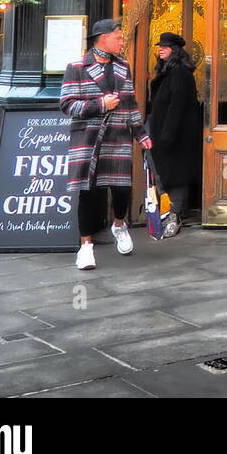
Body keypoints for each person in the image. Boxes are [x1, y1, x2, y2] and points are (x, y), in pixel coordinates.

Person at [61, 18, 151, 271]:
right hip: (88, 139)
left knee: (122, 190)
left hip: (119, 136)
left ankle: (119, 224)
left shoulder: (123, 66)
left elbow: (131, 104)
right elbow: (67, 104)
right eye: (119, 37)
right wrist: (100, 105)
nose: (122, 41)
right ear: (103, 38)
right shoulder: (77, 66)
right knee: (88, 193)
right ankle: (86, 247)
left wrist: (141, 134)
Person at [147, 31, 201, 238]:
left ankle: (175, 214)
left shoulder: (180, 74)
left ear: (175, 51)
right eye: (160, 45)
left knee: (176, 175)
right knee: (165, 174)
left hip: (175, 137)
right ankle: (169, 212)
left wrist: (167, 135)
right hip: (163, 134)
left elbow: (176, 107)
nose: (161, 48)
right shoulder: (167, 73)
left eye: (166, 46)